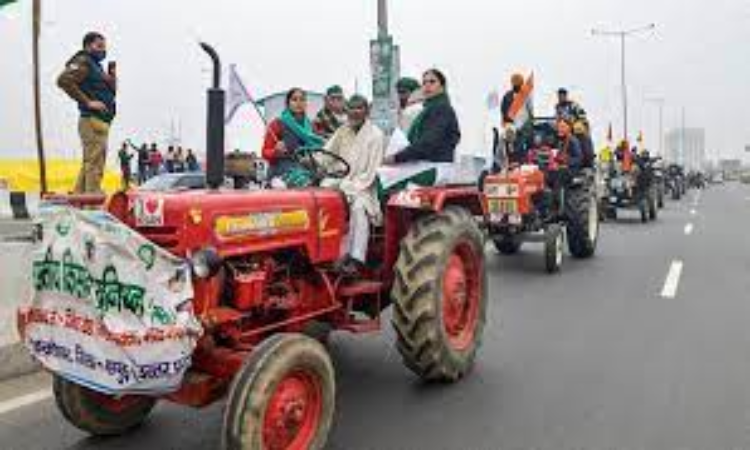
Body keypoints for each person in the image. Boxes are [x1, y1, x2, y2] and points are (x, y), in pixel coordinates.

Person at [323, 95, 385, 275]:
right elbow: (327, 153)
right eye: (352, 108)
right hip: (339, 181)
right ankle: (327, 254)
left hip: (363, 187)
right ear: (347, 110)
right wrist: (314, 162)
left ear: (367, 111)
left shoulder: (375, 135)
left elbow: (371, 173)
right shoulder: (343, 130)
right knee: (322, 199)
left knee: (358, 208)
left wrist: (348, 187)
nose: (355, 112)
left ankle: (355, 258)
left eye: (359, 108)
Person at [57, 31, 117, 193]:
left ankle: (80, 198)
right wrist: (88, 102)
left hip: (100, 121)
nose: (103, 50)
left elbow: (109, 91)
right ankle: (92, 201)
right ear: (87, 46)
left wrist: (112, 76)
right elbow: (63, 80)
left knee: (91, 162)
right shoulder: (83, 61)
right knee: (95, 163)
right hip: (92, 120)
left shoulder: (96, 66)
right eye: (99, 46)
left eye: (104, 47)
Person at [384, 69, 460, 164]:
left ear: (442, 87)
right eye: (424, 83)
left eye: (432, 82)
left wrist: (397, 157)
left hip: (434, 165)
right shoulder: (428, 108)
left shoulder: (442, 109)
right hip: (422, 162)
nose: (427, 85)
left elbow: (428, 142)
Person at [262, 88, 325, 186]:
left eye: (302, 99)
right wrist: (276, 151)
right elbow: (265, 152)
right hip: (282, 170)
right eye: (294, 99)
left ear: (306, 103)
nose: (298, 103)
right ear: (288, 103)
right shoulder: (277, 124)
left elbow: (317, 148)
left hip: (306, 168)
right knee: (305, 184)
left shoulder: (311, 126)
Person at [555, 88, 594, 167]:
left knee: (581, 137)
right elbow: (558, 118)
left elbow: (582, 115)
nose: (561, 97)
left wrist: (579, 123)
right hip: (563, 129)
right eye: (559, 96)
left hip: (574, 127)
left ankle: (587, 160)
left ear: (566, 96)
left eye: (563, 95)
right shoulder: (558, 107)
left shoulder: (572, 105)